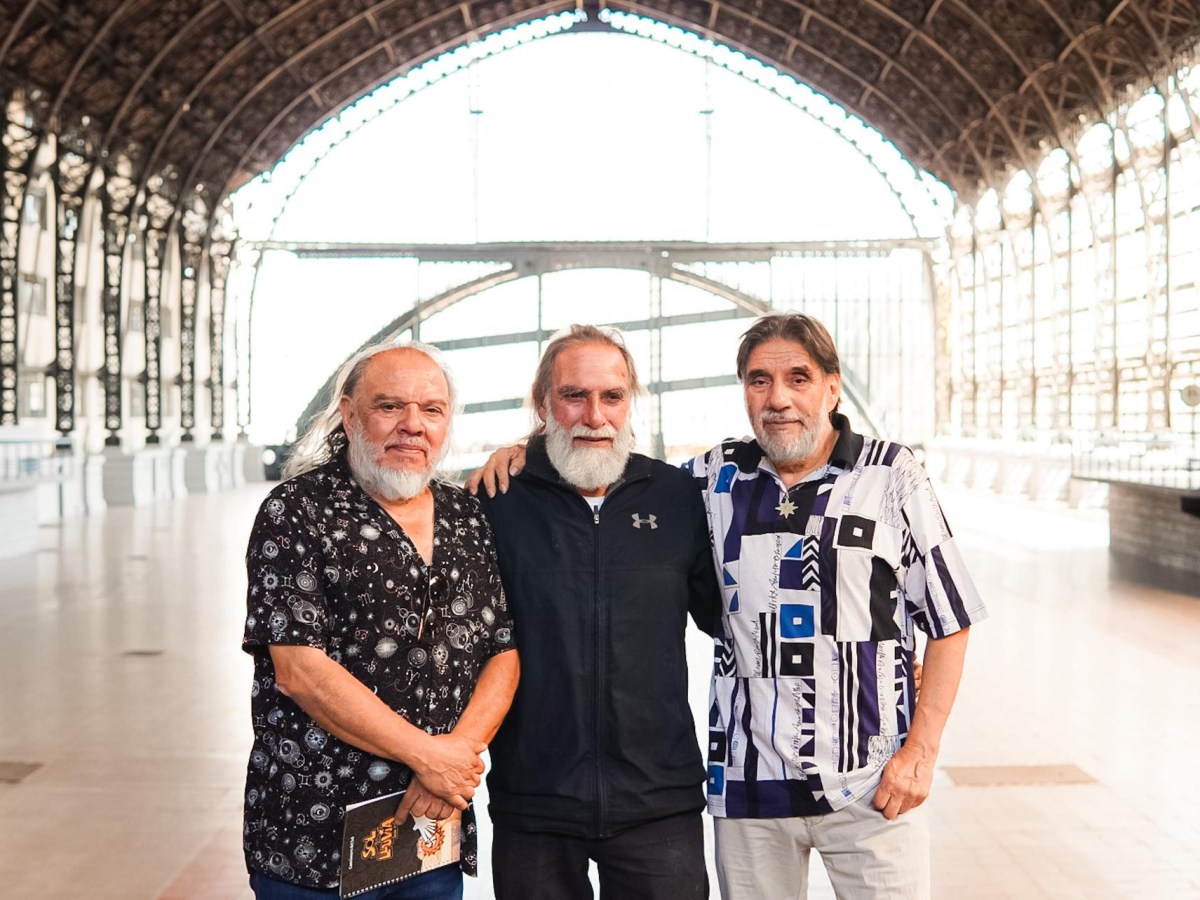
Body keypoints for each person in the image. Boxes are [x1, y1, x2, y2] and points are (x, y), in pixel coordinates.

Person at [476, 313, 986, 898]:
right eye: (759, 380)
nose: (778, 398)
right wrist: (523, 451)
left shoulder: (891, 474)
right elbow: (598, 464)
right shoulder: (711, 480)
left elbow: (950, 619)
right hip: (750, 788)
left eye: (798, 378)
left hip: (871, 784)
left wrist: (921, 750)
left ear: (832, 386)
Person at [241, 341, 519, 899]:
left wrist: (451, 764)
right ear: (349, 414)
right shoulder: (297, 510)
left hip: (430, 826)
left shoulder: (466, 514)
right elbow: (298, 668)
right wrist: (429, 757)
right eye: (389, 406)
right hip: (313, 838)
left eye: (432, 409)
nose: (413, 425)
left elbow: (502, 652)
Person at [469, 325, 720, 900]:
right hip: (534, 801)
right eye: (573, 396)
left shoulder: (676, 495)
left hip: (659, 800)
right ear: (543, 405)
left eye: (612, 396)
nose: (595, 415)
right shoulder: (495, 500)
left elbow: (732, 616)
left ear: (630, 402)